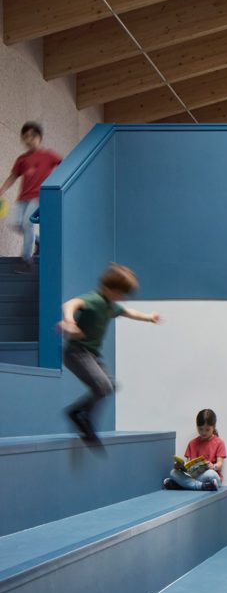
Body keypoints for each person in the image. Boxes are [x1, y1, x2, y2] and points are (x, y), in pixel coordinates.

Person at [60, 263, 161, 446]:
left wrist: (149, 318)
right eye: (120, 293)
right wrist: (69, 319)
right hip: (76, 353)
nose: (121, 298)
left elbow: (130, 312)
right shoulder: (95, 299)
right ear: (107, 287)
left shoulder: (109, 305)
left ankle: (80, 412)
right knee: (103, 385)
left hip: (91, 355)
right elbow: (71, 303)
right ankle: (80, 415)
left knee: (111, 385)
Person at [0, 122, 62, 270]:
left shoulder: (49, 156)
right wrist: (2, 189)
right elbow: (13, 176)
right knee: (15, 224)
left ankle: (26, 261)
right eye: (26, 136)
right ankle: (40, 242)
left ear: (40, 137)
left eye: (33, 136)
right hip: (23, 198)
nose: (29, 139)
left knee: (28, 224)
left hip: (39, 198)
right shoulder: (22, 159)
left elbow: (67, 166)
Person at [164, 408, 226, 492]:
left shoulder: (219, 442)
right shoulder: (192, 443)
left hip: (209, 477)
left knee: (211, 474)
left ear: (213, 427)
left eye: (207, 430)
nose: (203, 432)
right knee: (173, 472)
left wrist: (213, 466)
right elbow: (188, 465)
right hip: (195, 477)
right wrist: (180, 467)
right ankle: (201, 486)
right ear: (197, 427)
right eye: (200, 429)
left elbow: (220, 464)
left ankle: (184, 485)